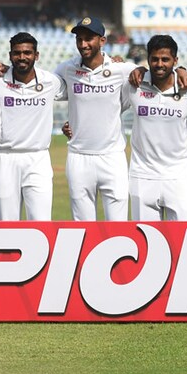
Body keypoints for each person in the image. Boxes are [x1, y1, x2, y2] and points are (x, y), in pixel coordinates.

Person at [55, 17, 140, 221]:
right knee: (83, 227)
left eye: (89, 39)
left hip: (112, 157)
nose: (83, 44)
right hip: (79, 156)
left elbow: (149, 73)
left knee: (118, 226)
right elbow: (40, 85)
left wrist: (180, 70)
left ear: (102, 41)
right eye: (79, 39)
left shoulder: (121, 69)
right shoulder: (66, 69)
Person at [121, 35, 187, 221]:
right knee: (145, 241)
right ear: (148, 59)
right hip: (143, 176)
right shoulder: (134, 84)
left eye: (165, 59)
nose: (159, 64)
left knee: (181, 241)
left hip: (178, 176)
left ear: (175, 60)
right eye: (154, 59)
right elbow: (109, 106)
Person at [0, 32, 66, 221]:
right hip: (6, 157)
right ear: (10, 56)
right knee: (7, 225)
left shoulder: (51, 81)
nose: (22, 57)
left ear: (36, 55)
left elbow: (82, 94)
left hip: (38, 158)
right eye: (17, 53)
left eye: (27, 53)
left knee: (41, 223)